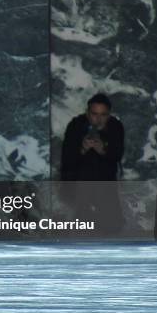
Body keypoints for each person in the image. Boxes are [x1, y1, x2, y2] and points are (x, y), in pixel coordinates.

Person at [60, 93, 125, 234]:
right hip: (81, 185)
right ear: (88, 113)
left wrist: (102, 150)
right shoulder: (76, 125)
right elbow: (67, 159)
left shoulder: (115, 126)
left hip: (106, 185)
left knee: (112, 227)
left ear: (109, 115)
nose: (98, 119)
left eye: (103, 115)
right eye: (95, 114)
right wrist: (83, 148)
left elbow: (117, 155)